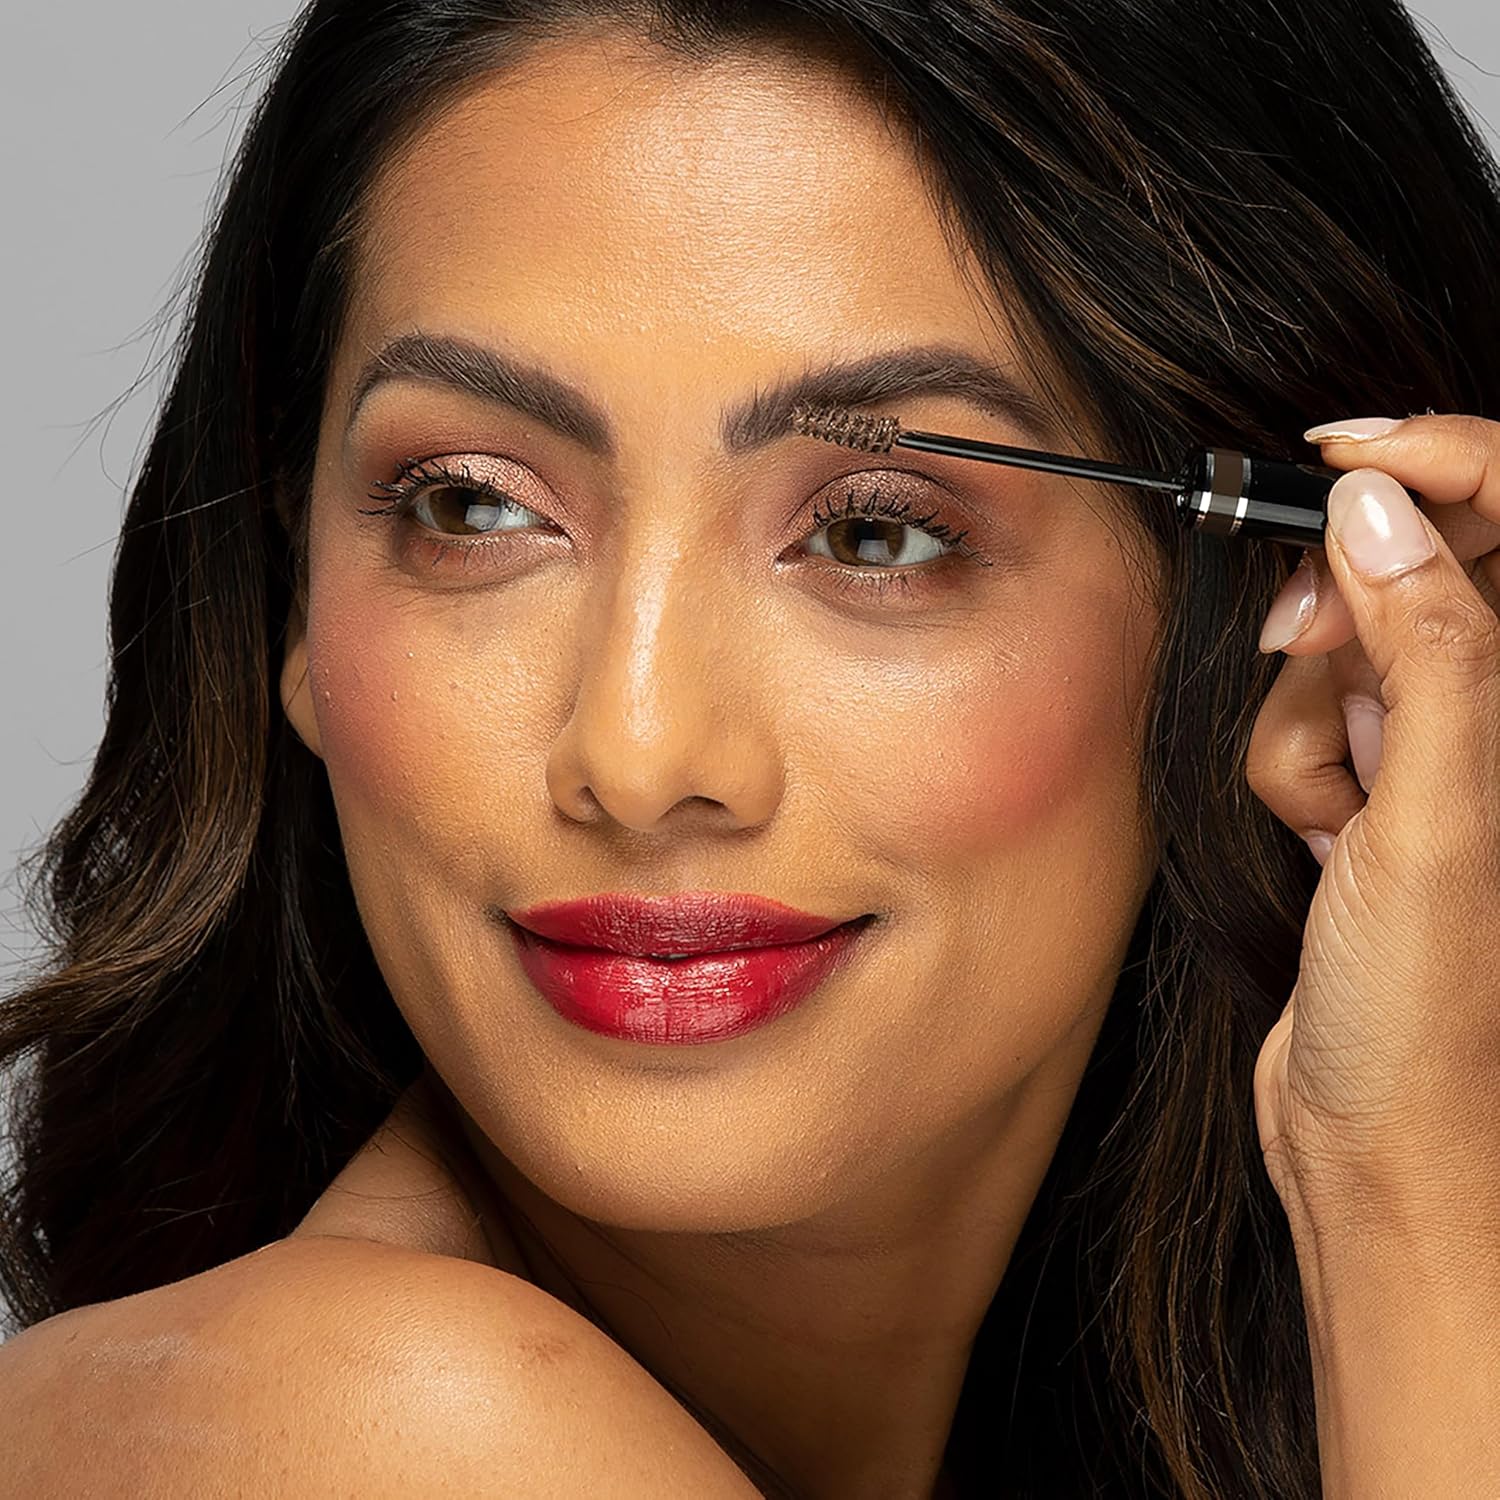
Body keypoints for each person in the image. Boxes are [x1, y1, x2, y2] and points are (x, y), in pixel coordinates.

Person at [3, 2, 1500, 1495]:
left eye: (875, 533)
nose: (639, 754)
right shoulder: (388, 1428)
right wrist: (1413, 1202)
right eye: (474, 506)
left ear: (1301, 610)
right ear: (296, 604)